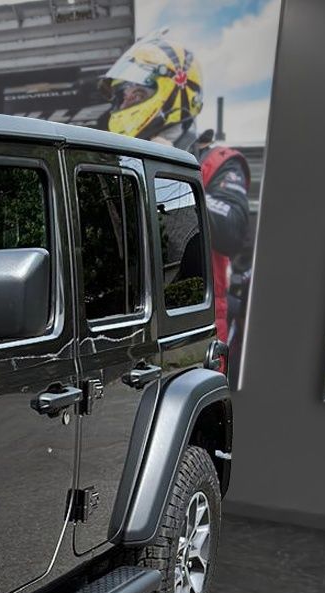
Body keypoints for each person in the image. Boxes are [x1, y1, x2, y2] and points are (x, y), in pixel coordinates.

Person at [101, 30, 251, 372]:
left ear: (173, 94)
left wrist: (172, 170)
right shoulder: (117, 163)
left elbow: (232, 230)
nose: (123, 104)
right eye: (121, 96)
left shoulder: (216, 161)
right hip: (126, 323)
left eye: (134, 93)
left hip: (192, 327)